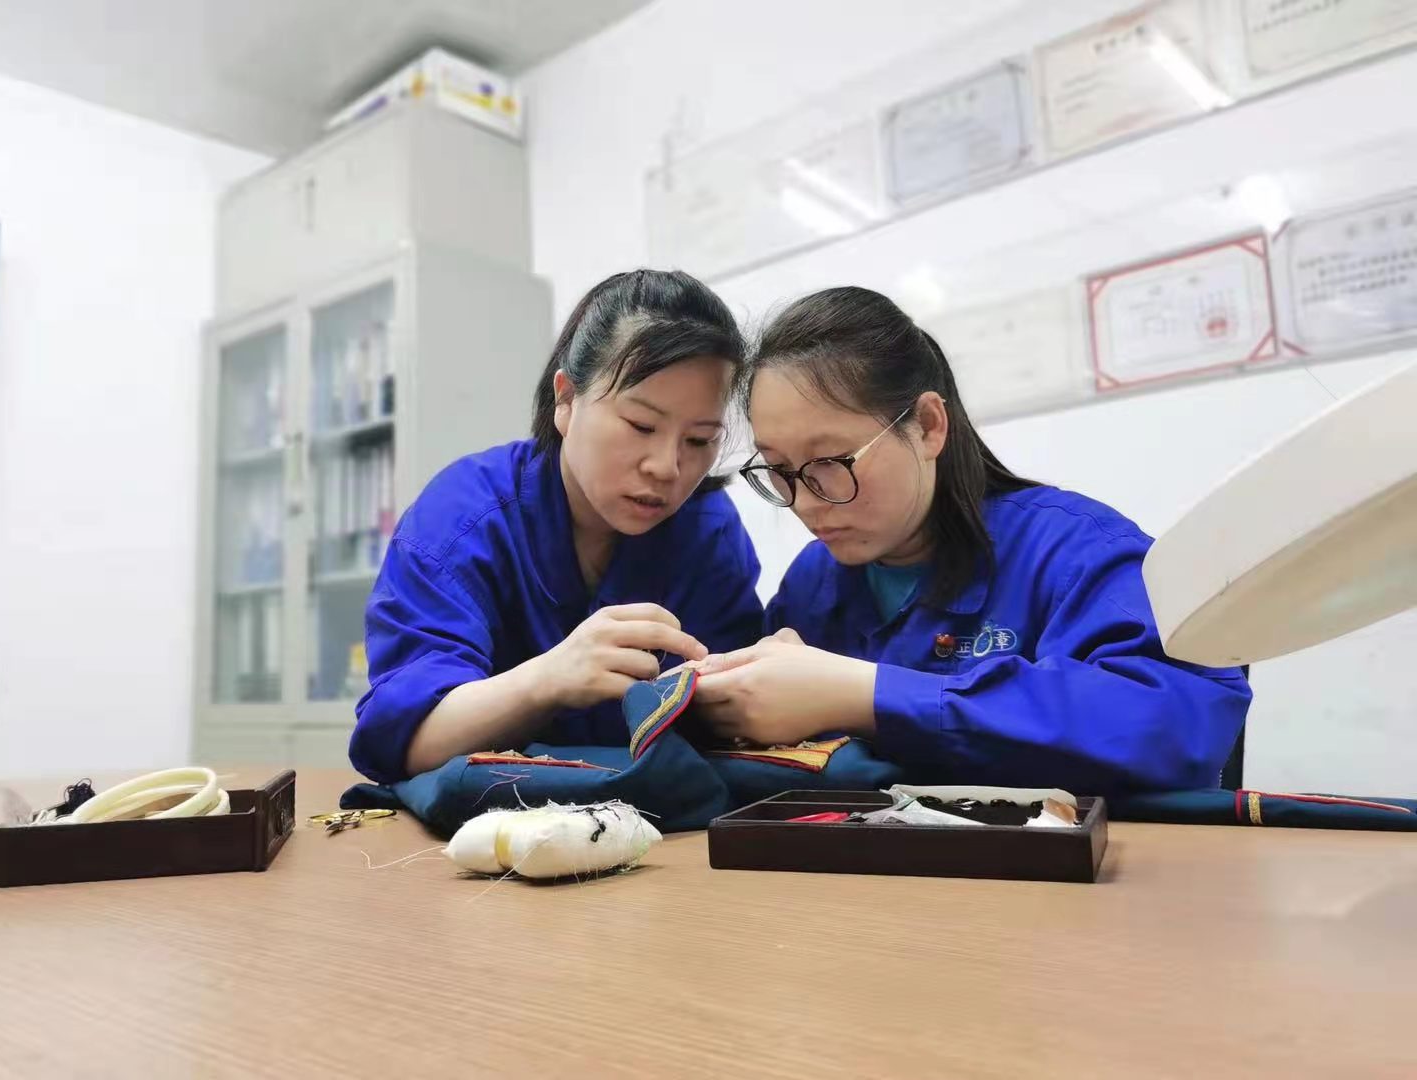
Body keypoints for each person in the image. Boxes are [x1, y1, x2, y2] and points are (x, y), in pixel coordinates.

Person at [692, 286, 1251, 792]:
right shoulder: (813, 583)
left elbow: (1180, 725)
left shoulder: (1072, 552)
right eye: (779, 470)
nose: (806, 502)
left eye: (832, 461)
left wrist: (867, 694)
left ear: (928, 425)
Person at [350, 270, 762, 784]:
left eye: (699, 440)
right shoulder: (461, 520)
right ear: (565, 400)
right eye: (641, 425)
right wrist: (547, 679)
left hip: (662, 823)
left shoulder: (706, 529)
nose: (667, 467)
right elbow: (404, 742)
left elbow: (734, 728)